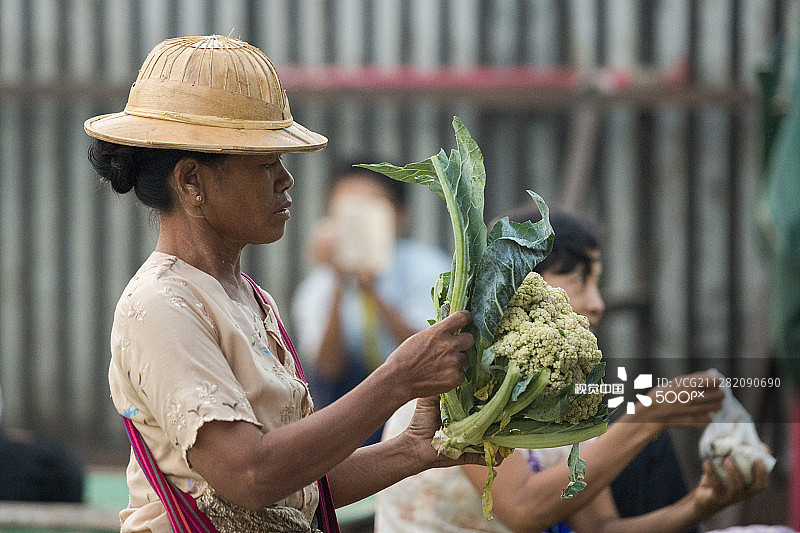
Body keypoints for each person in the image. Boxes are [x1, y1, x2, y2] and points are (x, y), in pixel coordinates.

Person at [84, 34, 485, 532]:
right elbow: (250, 475)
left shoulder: (248, 296)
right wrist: (398, 379)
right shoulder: (161, 303)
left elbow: (297, 489)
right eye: (263, 164)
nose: (286, 179)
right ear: (191, 182)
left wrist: (413, 449)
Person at [376, 210, 770, 533]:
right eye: (580, 281)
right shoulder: (460, 380)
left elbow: (600, 529)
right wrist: (646, 418)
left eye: (597, 283)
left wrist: (698, 505)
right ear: (518, 284)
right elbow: (522, 509)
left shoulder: (559, 396)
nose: (597, 304)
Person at [291, 163, 451, 445]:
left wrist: (371, 290)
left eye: (370, 209)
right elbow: (328, 370)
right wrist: (339, 282)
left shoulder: (428, 268)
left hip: (418, 406)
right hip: (351, 416)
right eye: (347, 211)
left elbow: (434, 349)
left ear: (400, 216)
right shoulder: (319, 285)